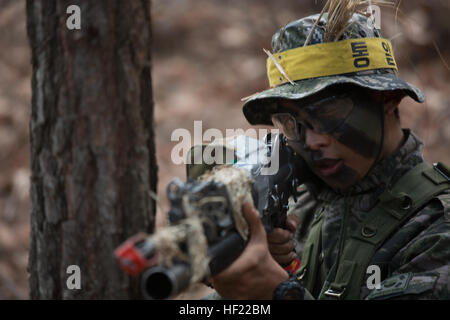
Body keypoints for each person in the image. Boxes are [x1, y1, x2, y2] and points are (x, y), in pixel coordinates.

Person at [206, 11, 450, 300]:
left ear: (387, 98)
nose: (311, 140)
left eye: (329, 112)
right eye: (291, 123)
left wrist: (277, 293)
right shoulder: (300, 209)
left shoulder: (435, 229)